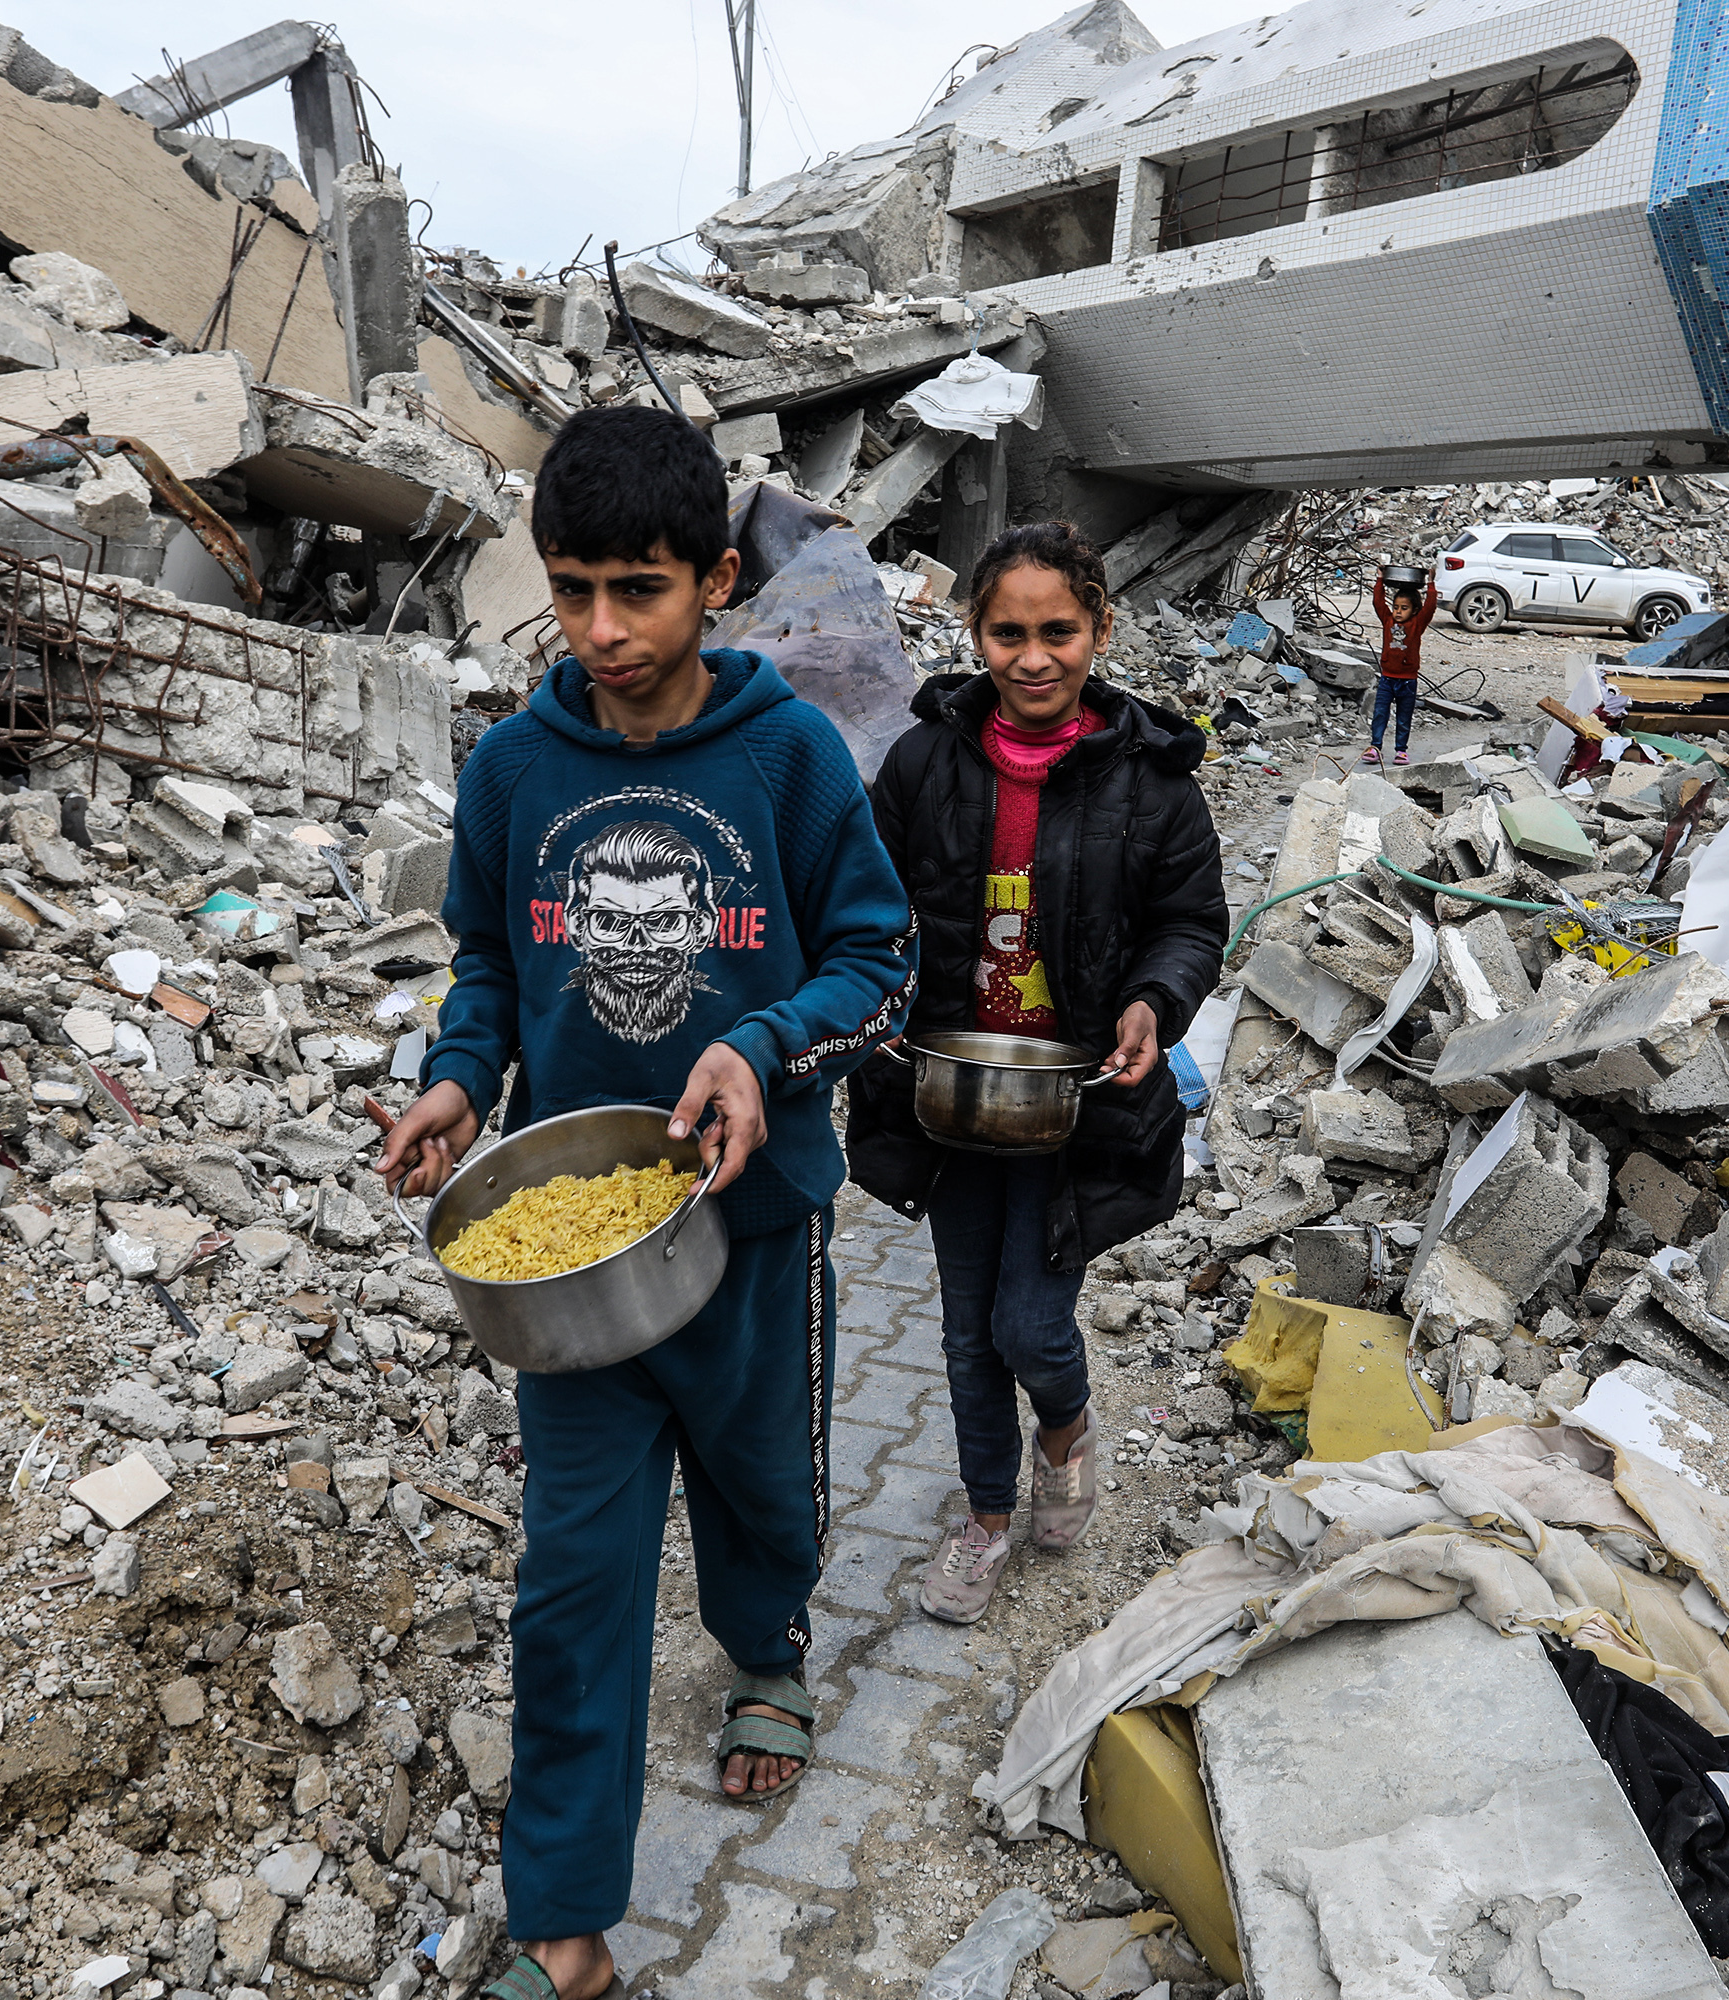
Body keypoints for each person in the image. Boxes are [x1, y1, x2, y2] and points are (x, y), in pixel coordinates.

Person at [379, 405, 917, 2000]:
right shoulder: (516, 766)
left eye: (642, 590)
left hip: (752, 1230)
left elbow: (878, 965)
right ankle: (564, 1910)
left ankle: (769, 1656)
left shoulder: (788, 754)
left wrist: (763, 1047)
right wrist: (460, 1077)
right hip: (577, 1261)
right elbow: (490, 963)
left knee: (763, 1490)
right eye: (572, 590)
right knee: (573, 1575)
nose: (604, 630)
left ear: (718, 582)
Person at [846, 520, 1227, 1625]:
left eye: (1058, 629)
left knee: (1029, 1323)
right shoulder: (923, 763)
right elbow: (869, 911)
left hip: (1084, 1104)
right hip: (951, 1094)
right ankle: (986, 1514)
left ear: (1100, 629)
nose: (1033, 656)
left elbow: (1190, 922)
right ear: (974, 633)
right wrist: (871, 1009)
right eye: (1007, 631)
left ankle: (1064, 1434)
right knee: (966, 1328)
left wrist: (1155, 1002)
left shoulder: (1154, 783)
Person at [1367, 568, 1439, 766]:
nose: (1398, 611)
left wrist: (1431, 584)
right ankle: (1375, 747)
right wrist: (1380, 580)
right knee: (1380, 713)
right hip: (1387, 679)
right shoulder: (1387, 620)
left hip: (1408, 681)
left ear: (1414, 610)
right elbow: (1378, 603)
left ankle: (1401, 750)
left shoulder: (1417, 624)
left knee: (1403, 717)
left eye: (1404, 608)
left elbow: (1430, 607)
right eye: (1396, 607)